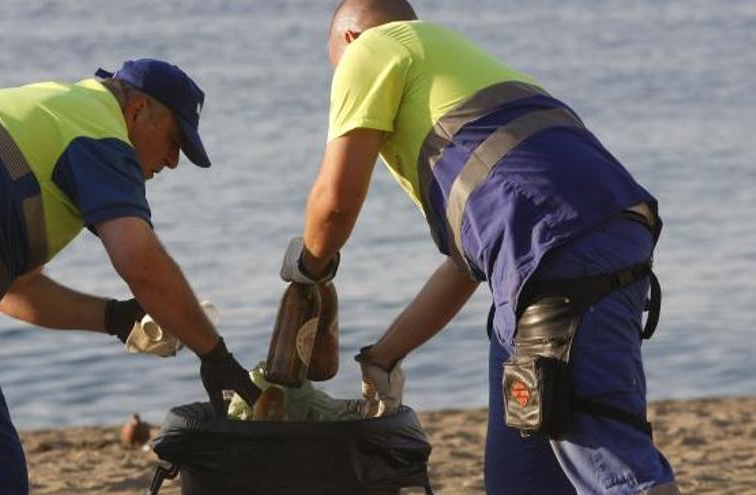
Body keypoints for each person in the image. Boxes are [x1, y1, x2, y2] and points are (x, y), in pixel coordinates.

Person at [278, 0, 679, 493]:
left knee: (614, 468)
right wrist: (383, 357)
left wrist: (308, 270)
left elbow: (335, 206)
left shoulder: (370, 49)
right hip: (572, 245)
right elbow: (464, 267)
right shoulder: (454, 72)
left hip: (563, 251)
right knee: (521, 478)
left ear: (348, 42)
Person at [0, 58, 260, 493]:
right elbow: (139, 260)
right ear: (135, 111)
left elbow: (16, 291)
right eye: (173, 141)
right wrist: (214, 355)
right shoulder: (98, 130)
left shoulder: (60, 111)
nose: (173, 162)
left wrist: (115, 318)